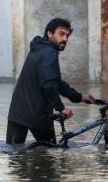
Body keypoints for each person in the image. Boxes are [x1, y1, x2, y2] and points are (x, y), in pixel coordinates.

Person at [7, 17, 95, 145]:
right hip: (39, 115)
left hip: (17, 113)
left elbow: (56, 82)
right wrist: (61, 108)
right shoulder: (49, 53)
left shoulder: (39, 49)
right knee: (49, 157)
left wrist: (80, 97)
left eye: (67, 35)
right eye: (61, 34)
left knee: (14, 156)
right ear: (49, 33)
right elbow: (48, 84)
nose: (65, 39)